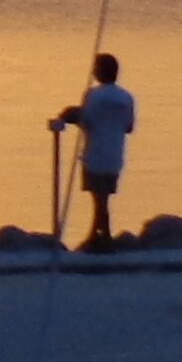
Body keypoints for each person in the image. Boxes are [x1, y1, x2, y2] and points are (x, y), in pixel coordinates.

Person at [49, 52, 138, 253]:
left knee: (100, 200)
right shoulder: (126, 97)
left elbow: (86, 120)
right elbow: (129, 127)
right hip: (115, 155)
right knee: (102, 198)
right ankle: (96, 236)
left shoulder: (93, 95)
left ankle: (104, 239)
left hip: (95, 154)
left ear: (100, 72)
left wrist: (70, 114)